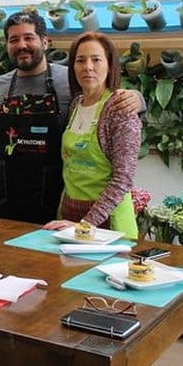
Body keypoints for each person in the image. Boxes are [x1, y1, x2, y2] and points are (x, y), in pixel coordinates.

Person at [0, 9, 142, 224]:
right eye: (14, 39)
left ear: (45, 42)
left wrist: (137, 98)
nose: (22, 45)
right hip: (4, 205)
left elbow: (105, 99)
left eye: (29, 37)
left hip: (54, 211)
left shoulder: (71, 83)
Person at [42, 32, 141, 238]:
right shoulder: (76, 105)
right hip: (69, 212)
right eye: (80, 60)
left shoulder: (120, 109)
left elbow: (123, 179)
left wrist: (85, 225)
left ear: (110, 65)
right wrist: (74, 224)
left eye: (96, 59)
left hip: (108, 223)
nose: (88, 66)